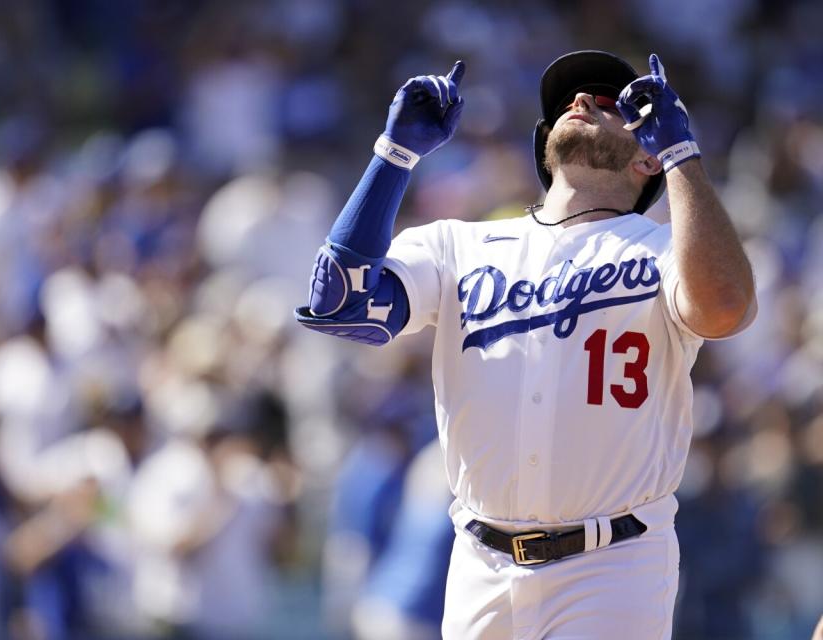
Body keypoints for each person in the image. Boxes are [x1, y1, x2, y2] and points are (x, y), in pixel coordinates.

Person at [295, 50, 757, 638]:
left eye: (611, 101)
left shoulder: (665, 251)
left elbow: (724, 306)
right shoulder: (458, 245)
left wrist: (682, 155)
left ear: (647, 153)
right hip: (479, 565)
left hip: (613, 565)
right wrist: (394, 156)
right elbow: (340, 304)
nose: (583, 101)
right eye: (570, 100)